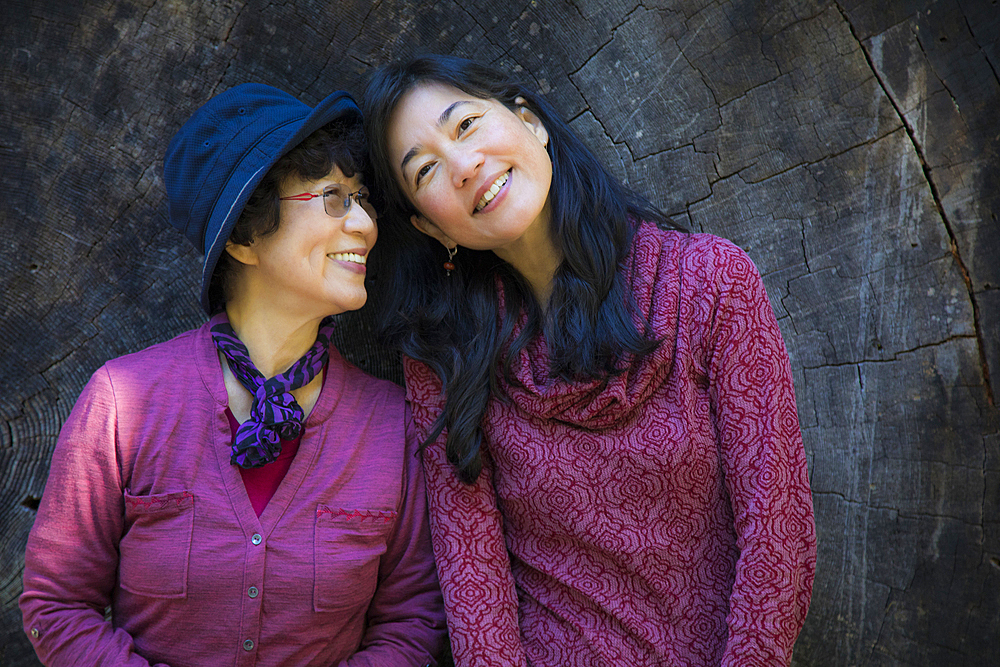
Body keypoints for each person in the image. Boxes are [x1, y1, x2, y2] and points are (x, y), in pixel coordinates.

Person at [360, 54, 817, 667]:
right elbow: (476, 595)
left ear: (531, 121)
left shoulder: (713, 285)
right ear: (429, 227)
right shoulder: (446, 359)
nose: (465, 167)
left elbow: (778, 534)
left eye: (466, 126)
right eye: (427, 171)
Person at [20, 83, 446, 666]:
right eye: (334, 198)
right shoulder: (121, 404)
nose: (366, 224)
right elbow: (57, 607)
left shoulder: (393, 427)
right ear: (246, 235)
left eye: (363, 199)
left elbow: (411, 622)